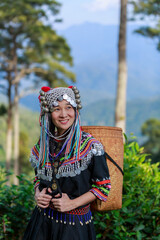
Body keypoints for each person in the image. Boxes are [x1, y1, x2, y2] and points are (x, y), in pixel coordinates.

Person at [23, 86, 111, 240]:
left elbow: (103, 188)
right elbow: (39, 177)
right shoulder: (43, 146)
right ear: (48, 114)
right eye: (56, 109)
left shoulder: (91, 146)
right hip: (41, 223)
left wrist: (72, 204)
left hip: (74, 227)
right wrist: (37, 193)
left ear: (76, 110)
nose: (64, 114)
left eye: (68, 107)